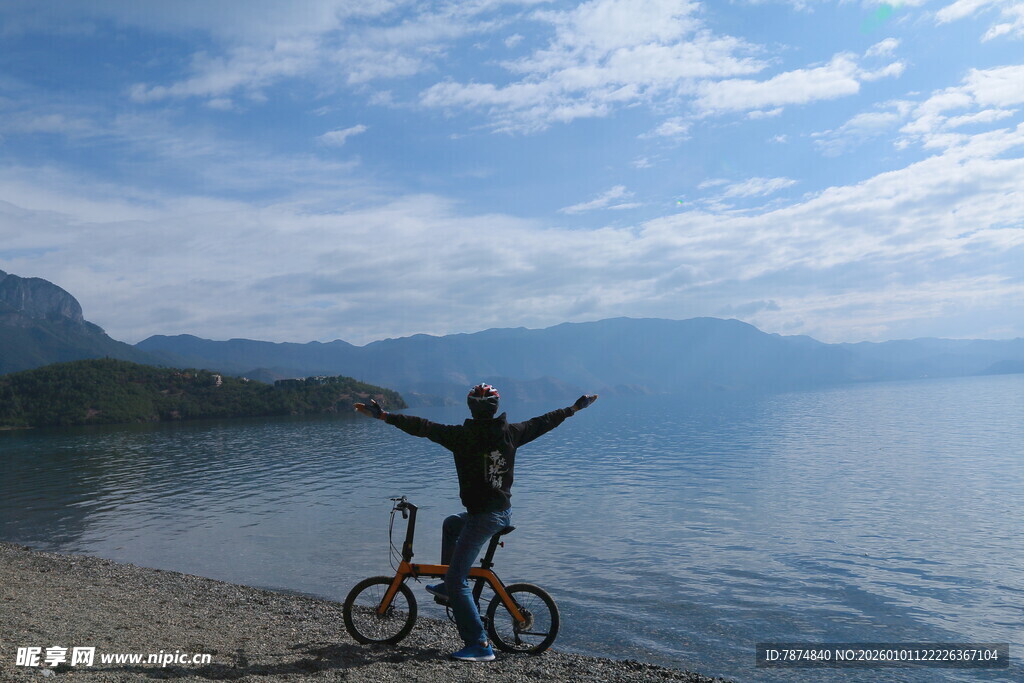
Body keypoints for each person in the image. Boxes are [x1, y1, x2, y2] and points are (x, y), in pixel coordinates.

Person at [354, 383, 598, 662]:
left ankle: (480, 645)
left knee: (459, 580)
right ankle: (448, 587)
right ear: (495, 407)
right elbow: (544, 421)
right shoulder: (511, 433)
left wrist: (384, 416)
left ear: (470, 407)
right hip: (500, 513)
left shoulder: (460, 436)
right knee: (450, 524)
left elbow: (422, 426)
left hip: (483, 518)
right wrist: (575, 408)